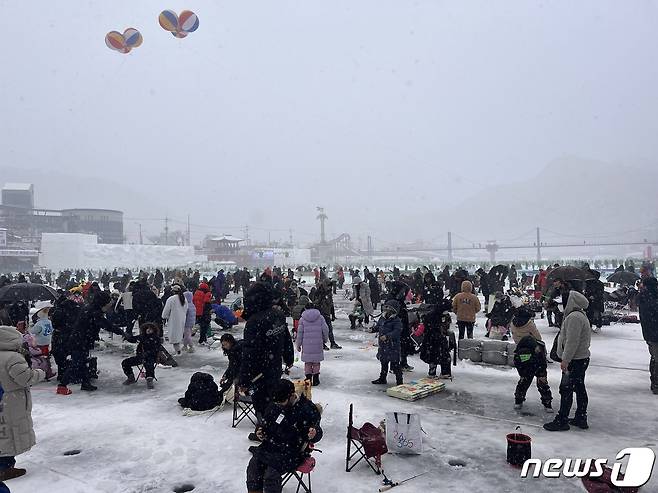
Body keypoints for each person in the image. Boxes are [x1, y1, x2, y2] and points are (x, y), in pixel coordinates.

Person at [238, 282, 294, 439]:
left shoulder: (254, 322)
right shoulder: (277, 315)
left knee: (261, 401)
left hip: (259, 372)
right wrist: (288, 356)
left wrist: (244, 379)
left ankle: (264, 431)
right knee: (272, 399)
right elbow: (286, 338)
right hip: (274, 366)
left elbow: (249, 352)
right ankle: (272, 429)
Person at [246, 379, 323, 493]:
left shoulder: (307, 408)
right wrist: (260, 431)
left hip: (294, 451)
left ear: (292, 395)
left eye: (281, 401)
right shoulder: (275, 405)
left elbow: (318, 432)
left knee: (270, 475)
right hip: (271, 446)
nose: (278, 405)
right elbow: (265, 423)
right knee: (253, 467)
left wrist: (314, 433)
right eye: (276, 402)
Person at [0, 325, 45, 481]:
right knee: (10, 434)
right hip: (11, 402)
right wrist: (40, 373)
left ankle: (4, 466)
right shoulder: (12, 357)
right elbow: (25, 378)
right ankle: (5, 468)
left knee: (2, 433)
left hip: (3, 398)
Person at [57, 291, 122, 395]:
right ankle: (62, 385)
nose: (110, 304)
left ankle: (85, 383)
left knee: (82, 363)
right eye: (108, 302)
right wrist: (122, 332)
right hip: (79, 341)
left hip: (81, 340)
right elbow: (106, 325)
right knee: (76, 363)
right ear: (103, 302)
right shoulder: (94, 312)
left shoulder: (92, 309)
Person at [544, 291, 591, 432]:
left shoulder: (574, 318)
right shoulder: (579, 315)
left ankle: (562, 420)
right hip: (580, 359)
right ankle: (581, 417)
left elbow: (572, 341)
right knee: (579, 387)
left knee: (566, 389)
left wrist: (565, 360)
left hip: (575, 360)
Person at [511, 307, 553, 412]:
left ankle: (518, 400)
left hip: (521, 354)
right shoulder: (529, 323)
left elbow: (514, 337)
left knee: (524, 378)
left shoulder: (512, 323)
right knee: (541, 378)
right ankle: (547, 403)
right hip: (535, 352)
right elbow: (538, 337)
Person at [296, 303, 329, 386]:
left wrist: (298, 344)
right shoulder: (320, 318)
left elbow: (300, 333)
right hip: (317, 343)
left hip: (306, 344)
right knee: (316, 362)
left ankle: (308, 378)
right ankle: (316, 378)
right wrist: (325, 340)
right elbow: (325, 330)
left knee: (308, 362)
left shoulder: (302, 319)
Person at [371, 300, 404, 386]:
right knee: (384, 362)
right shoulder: (382, 318)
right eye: (386, 307)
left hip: (392, 345)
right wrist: (373, 329)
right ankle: (382, 378)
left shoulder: (396, 320)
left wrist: (388, 336)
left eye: (389, 307)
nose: (387, 309)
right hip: (383, 345)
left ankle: (399, 381)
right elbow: (379, 326)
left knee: (395, 364)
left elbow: (397, 331)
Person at [420, 298, 454, 379]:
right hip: (432, 338)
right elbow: (429, 327)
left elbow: (445, 325)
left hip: (440, 337)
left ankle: (445, 372)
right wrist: (437, 331)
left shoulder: (443, 314)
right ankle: (432, 373)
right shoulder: (432, 315)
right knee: (434, 355)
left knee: (445, 355)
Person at [122, 322, 161, 390]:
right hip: (140, 356)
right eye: (147, 328)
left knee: (149, 363)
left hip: (151, 357)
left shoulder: (156, 339)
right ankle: (131, 377)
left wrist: (147, 353)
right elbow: (133, 339)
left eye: (150, 329)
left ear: (154, 330)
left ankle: (150, 379)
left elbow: (156, 350)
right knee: (125, 362)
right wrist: (127, 337)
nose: (148, 330)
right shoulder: (142, 336)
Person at [638, 277, 658, 394]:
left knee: (654, 357)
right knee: (656, 358)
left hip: (649, 333)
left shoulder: (644, 297)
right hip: (654, 332)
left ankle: (654, 382)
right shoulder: (650, 298)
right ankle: (656, 383)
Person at [162, 284, 188, 355]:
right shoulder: (184, 299)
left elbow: (166, 310)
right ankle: (178, 350)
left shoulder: (171, 299)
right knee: (178, 335)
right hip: (182, 319)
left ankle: (178, 351)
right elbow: (186, 309)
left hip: (174, 320)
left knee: (174, 337)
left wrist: (164, 317)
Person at [219, 333, 243, 400]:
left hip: (244, 372)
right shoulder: (231, 351)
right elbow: (232, 365)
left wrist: (237, 377)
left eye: (226, 345)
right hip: (239, 371)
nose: (224, 347)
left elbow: (238, 366)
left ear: (231, 342)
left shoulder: (237, 350)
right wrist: (225, 376)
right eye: (223, 345)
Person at [182, 287, 196, 353]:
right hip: (191, 322)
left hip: (186, 323)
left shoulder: (186, 305)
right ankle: (185, 346)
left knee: (187, 335)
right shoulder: (192, 304)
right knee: (187, 334)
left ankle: (191, 346)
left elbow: (184, 314)